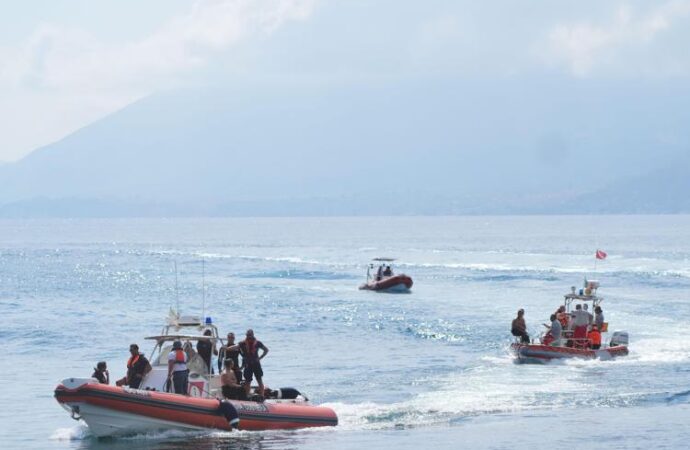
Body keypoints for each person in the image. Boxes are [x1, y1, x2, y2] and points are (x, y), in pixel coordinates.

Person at [239, 329, 269, 398]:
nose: (249, 337)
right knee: (247, 381)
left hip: (256, 364)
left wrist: (260, 357)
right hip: (248, 365)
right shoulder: (242, 343)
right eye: (248, 335)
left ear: (253, 335)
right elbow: (236, 347)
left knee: (259, 380)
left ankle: (262, 396)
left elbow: (266, 350)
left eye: (250, 335)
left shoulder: (258, 343)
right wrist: (227, 348)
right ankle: (247, 396)